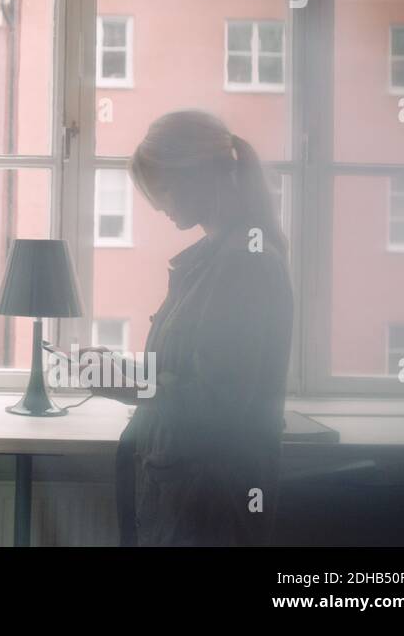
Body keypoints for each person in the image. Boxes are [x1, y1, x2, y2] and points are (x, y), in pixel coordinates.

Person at [84, 110, 294, 546]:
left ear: (198, 175)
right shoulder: (213, 259)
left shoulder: (243, 265)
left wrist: (124, 385)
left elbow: (215, 402)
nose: (158, 204)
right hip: (188, 490)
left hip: (210, 501)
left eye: (161, 188)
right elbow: (187, 372)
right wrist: (123, 369)